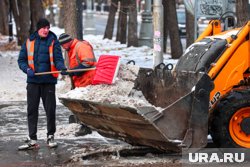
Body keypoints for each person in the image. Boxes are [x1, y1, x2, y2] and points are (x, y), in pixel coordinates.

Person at [17, 18, 68, 150]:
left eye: (48, 27)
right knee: (32, 110)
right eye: (44, 28)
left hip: (48, 82)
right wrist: (27, 69)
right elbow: (21, 60)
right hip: (33, 82)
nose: (46, 30)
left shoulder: (53, 42)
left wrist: (62, 67)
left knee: (50, 110)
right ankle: (32, 138)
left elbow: (58, 59)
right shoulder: (29, 42)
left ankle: (50, 136)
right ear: (38, 28)